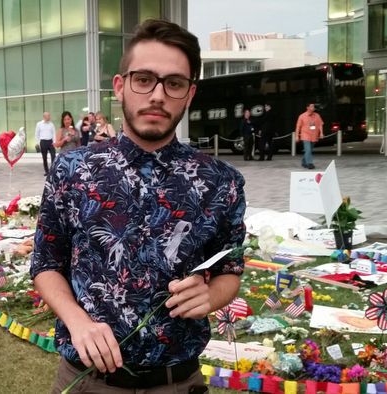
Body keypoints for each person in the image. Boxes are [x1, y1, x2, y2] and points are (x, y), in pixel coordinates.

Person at [30, 19, 246, 392]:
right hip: (88, 381)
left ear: (190, 94)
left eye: (174, 83)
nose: (157, 95)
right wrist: (77, 321)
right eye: (144, 79)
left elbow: (230, 269)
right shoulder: (72, 170)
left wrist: (211, 295)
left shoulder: (221, 182)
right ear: (120, 86)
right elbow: (46, 263)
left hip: (178, 382)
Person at [295, 103, 324, 169]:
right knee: (308, 150)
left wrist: (321, 133)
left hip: (314, 135)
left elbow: (320, 124)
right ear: (307, 107)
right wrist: (297, 136)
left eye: (313, 106)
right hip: (305, 135)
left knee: (309, 150)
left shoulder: (317, 115)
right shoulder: (302, 116)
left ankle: (303, 162)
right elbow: (298, 127)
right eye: (311, 106)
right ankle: (310, 163)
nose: (313, 107)